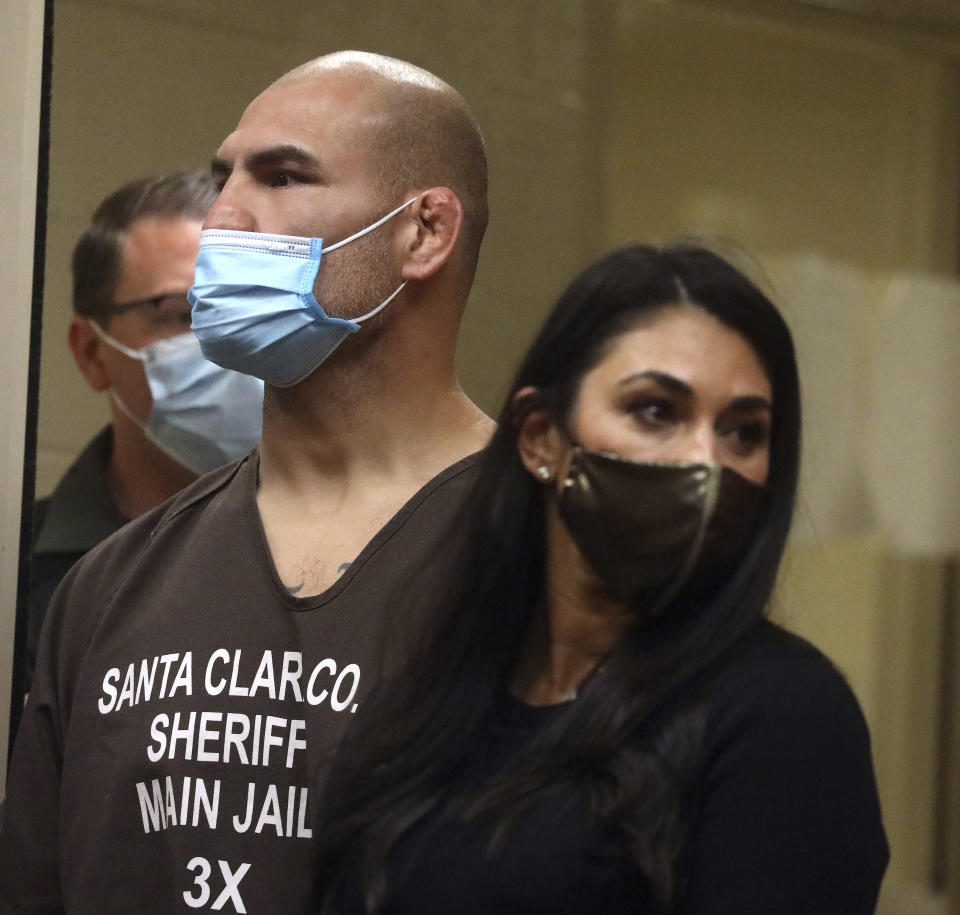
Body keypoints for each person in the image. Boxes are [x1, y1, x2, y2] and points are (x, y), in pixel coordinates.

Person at [0, 52, 492, 912]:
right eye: (223, 177)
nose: (224, 217)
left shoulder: (543, 555)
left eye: (284, 176)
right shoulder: (110, 585)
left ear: (424, 232)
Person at [313, 244, 890, 914]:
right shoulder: (424, 709)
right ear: (542, 439)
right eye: (655, 411)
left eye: (743, 432)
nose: (706, 461)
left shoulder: (781, 712)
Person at [24, 170, 264, 696]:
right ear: (92, 353)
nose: (229, 344)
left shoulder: (361, 555)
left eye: (252, 312)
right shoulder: (18, 571)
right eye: (183, 314)